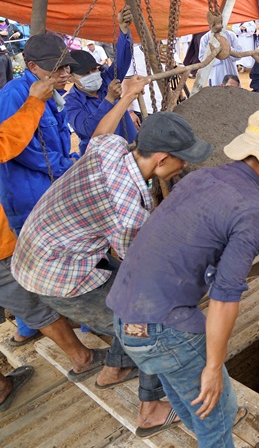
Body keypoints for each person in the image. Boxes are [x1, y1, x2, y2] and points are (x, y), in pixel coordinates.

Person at [107, 108, 259, 447]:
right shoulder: (252, 208)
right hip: (165, 328)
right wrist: (213, 368)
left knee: (191, 398)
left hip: (124, 314)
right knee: (214, 417)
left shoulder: (201, 178)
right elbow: (224, 297)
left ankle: (207, 424)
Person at [12, 83, 207, 435]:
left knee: (125, 296)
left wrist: (128, 97)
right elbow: (145, 272)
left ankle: (114, 369)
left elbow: (101, 132)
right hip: (57, 273)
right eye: (183, 159)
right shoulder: (126, 208)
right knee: (150, 320)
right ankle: (149, 411)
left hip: (47, 250)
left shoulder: (115, 149)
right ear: (162, 159)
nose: (185, 165)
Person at [0, 75, 115, 413]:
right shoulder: (17, 96)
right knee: (35, 302)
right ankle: (82, 358)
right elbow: (10, 141)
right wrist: (35, 102)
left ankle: (3, 385)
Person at [0, 33, 79, 235]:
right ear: (33, 66)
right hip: (30, 203)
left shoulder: (54, 95)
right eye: (55, 68)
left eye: (66, 67)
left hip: (54, 194)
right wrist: (67, 166)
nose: (63, 74)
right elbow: (19, 148)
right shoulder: (15, 93)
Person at [65, 5, 136, 155]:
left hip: (130, 147)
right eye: (85, 73)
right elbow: (88, 129)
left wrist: (123, 30)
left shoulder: (107, 79)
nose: (92, 74)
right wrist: (109, 99)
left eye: (94, 70)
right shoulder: (71, 103)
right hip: (102, 159)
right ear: (71, 77)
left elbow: (122, 60)